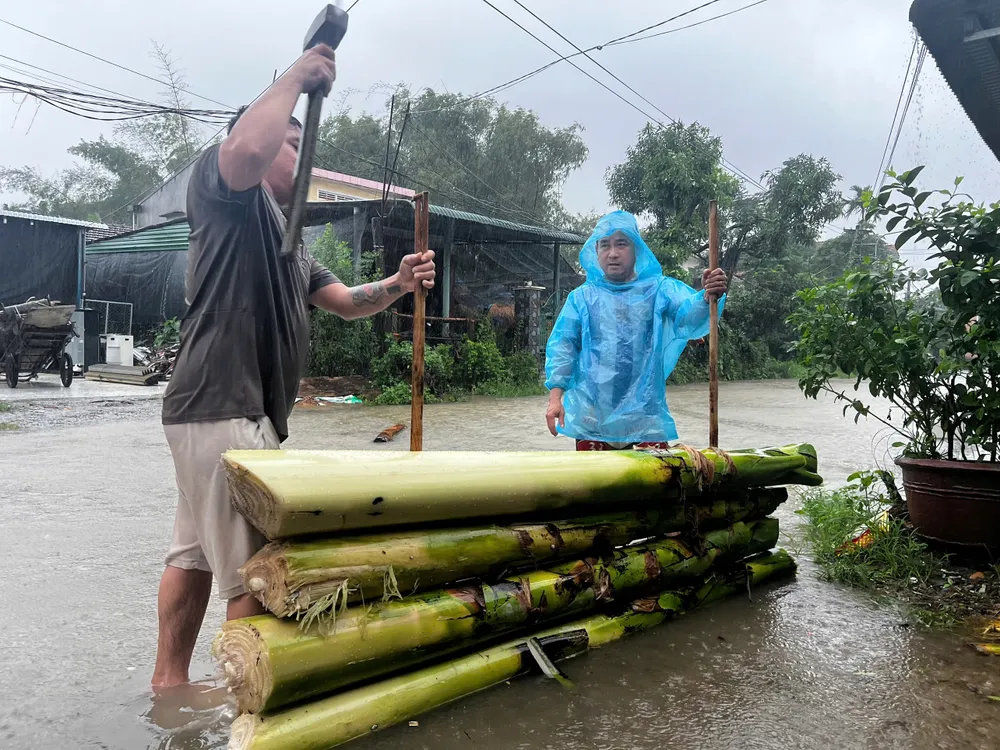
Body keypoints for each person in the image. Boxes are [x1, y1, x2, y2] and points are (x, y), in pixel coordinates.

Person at [151, 43, 435, 689]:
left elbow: (348, 304)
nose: (303, 158)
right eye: (292, 142)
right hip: (226, 406)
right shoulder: (227, 194)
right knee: (254, 576)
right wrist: (296, 76)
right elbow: (245, 152)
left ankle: (170, 689)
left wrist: (397, 282)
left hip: (211, 414)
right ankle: (242, 703)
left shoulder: (292, 243)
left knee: (192, 557)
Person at [544, 210, 726, 450]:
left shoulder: (659, 290)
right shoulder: (581, 299)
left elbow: (688, 317)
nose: (613, 253)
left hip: (645, 420)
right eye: (605, 245)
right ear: (596, 252)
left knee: (656, 475)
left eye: (621, 244)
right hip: (593, 421)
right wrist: (555, 398)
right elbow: (563, 346)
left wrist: (707, 296)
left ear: (637, 249)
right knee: (594, 476)